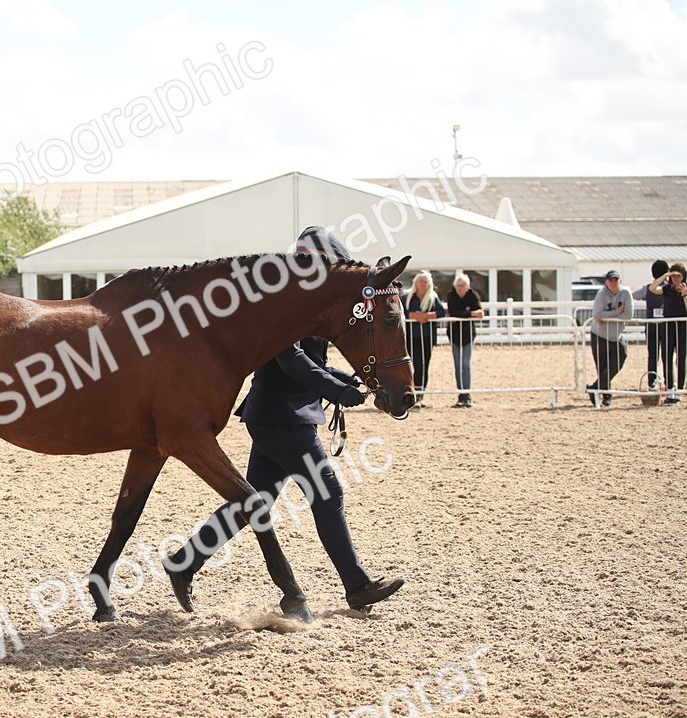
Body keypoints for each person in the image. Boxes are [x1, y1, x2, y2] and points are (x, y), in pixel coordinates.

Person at [163, 226, 404, 623]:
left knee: (252, 504)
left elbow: (316, 363)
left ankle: (185, 562)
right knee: (328, 493)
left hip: (279, 416)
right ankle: (357, 586)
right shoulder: (280, 304)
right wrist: (338, 390)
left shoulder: (309, 304)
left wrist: (349, 382)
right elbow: (293, 362)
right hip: (282, 418)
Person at [588, 269, 633, 406]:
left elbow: (628, 315)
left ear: (620, 281)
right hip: (599, 335)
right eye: (611, 280)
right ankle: (606, 396)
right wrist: (617, 312)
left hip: (616, 335)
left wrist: (607, 316)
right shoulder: (601, 294)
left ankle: (594, 388)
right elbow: (597, 315)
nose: (613, 283)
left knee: (620, 358)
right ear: (606, 282)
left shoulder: (625, 293)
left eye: (616, 280)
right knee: (602, 366)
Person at [403, 271, 445, 406]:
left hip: (427, 336)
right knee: (413, 365)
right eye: (421, 281)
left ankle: (420, 394)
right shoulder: (407, 297)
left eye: (426, 281)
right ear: (415, 283)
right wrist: (414, 316)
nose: (423, 283)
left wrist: (427, 316)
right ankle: (410, 392)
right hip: (410, 336)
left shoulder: (433, 298)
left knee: (423, 365)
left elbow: (441, 312)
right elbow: (400, 312)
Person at [649, 262, 687, 404]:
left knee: (682, 359)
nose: (676, 279)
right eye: (674, 276)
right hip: (668, 326)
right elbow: (653, 288)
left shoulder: (685, 289)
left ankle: (679, 393)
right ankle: (670, 390)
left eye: (679, 275)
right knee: (666, 358)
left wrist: (684, 294)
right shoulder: (666, 289)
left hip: (682, 327)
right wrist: (665, 275)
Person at [446, 273, 484, 408]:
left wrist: (472, 314)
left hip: (468, 334)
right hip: (455, 334)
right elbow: (453, 312)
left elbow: (479, 311)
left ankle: (467, 394)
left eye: (462, 285)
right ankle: (461, 394)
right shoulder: (452, 295)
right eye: (458, 285)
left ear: (468, 286)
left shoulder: (473, 295)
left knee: (466, 364)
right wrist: (470, 314)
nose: (460, 288)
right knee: (458, 365)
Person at [631, 260, 669, 391]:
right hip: (665, 326)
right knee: (666, 356)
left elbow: (633, 295)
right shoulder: (668, 288)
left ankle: (652, 382)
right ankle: (668, 381)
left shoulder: (648, 288)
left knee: (652, 355)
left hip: (652, 325)